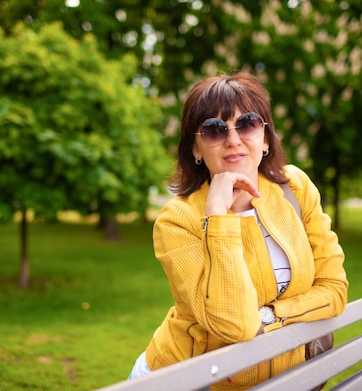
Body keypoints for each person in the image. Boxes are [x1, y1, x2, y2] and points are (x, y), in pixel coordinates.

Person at [128, 72, 348, 390]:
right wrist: (218, 215)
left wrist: (272, 315)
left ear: (266, 137)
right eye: (214, 130)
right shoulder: (177, 220)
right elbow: (238, 325)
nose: (233, 140)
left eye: (246, 124)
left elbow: (334, 291)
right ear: (196, 148)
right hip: (187, 379)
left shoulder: (295, 188)